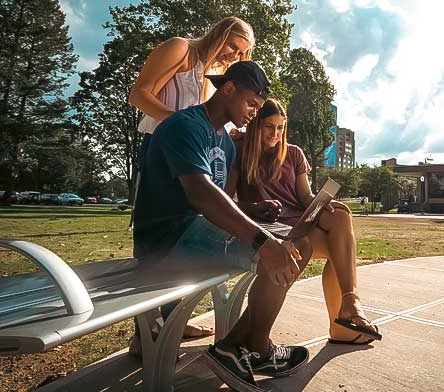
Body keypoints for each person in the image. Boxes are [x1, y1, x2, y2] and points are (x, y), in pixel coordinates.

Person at [134, 61, 310, 390]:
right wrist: (262, 242)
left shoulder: (226, 143)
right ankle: (249, 348)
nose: (253, 113)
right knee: (283, 249)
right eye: (251, 104)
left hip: (197, 231)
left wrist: (252, 208)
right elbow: (200, 194)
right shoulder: (184, 125)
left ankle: (245, 345)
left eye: (257, 107)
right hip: (167, 239)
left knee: (299, 244)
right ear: (228, 89)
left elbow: (221, 201)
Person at [127, 16, 255, 345]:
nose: (232, 55)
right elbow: (139, 94)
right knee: (160, 239)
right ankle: (144, 335)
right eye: (232, 45)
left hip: (187, 156)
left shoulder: (210, 80)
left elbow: (204, 121)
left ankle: (171, 322)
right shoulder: (180, 48)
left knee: (188, 235)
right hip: (161, 149)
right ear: (218, 34)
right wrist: (182, 127)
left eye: (240, 53)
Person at [227, 98, 382, 347]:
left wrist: (324, 203)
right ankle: (340, 322)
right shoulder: (240, 150)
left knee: (341, 216)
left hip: (300, 223)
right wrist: (254, 207)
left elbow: (304, 196)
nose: (275, 134)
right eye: (269, 127)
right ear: (256, 125)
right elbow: (226, 202)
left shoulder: (294, 153)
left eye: (280, 128)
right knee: (337, 250)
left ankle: (350, 304)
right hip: (271, 230)